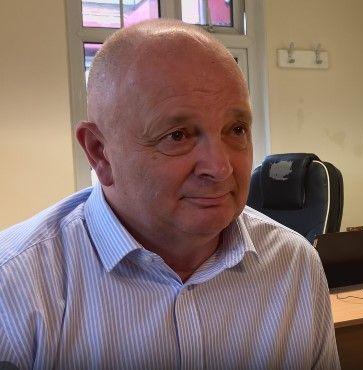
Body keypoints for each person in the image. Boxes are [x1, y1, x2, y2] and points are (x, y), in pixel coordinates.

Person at [0, 19, 340, 369]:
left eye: (236, 129)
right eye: (177, 135)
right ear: (100, 152)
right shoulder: (14, 289)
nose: (220, 167)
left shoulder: (293, 265)